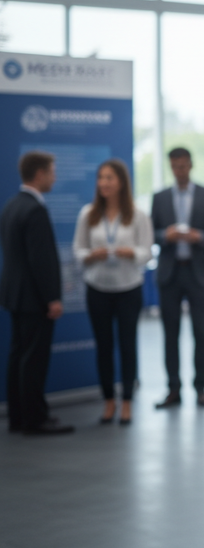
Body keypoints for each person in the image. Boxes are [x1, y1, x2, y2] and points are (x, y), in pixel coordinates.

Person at [73, 159, 152, 425]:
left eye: (109, 178)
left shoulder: (137, 214)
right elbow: (78, 251)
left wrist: (131, 252)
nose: (104, 183)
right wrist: (90, 256)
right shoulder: (88, 213)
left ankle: (127, 401)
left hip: (129, 288)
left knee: (127, 346)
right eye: (100, 178)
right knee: (103, 347)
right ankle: (108, 401)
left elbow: (147, 252)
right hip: (97, 288)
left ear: (121, 182)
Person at [1, 151, 72, 436]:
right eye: (52, 172)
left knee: (19, 355)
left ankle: (18, 416)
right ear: (40, 174)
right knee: (34, 359)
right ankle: (35, 419)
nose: (55, 177)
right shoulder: (35, 209)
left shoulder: (12, 205)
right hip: (34, 299)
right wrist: (51, 298)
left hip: (15, 295)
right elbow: (39, 260)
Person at [150, 147, 204, 409]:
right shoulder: (159, 198)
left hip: (197, 273)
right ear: (171, 167)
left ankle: (200, 389)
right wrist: (164, 236)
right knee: (170, 335)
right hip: (170, 272)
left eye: (183, 165)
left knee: (200, 333)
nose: (179, 170)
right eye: (175, 166)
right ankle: (173, 389)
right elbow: (151, 233)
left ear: (190, 165)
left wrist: (199, 237)